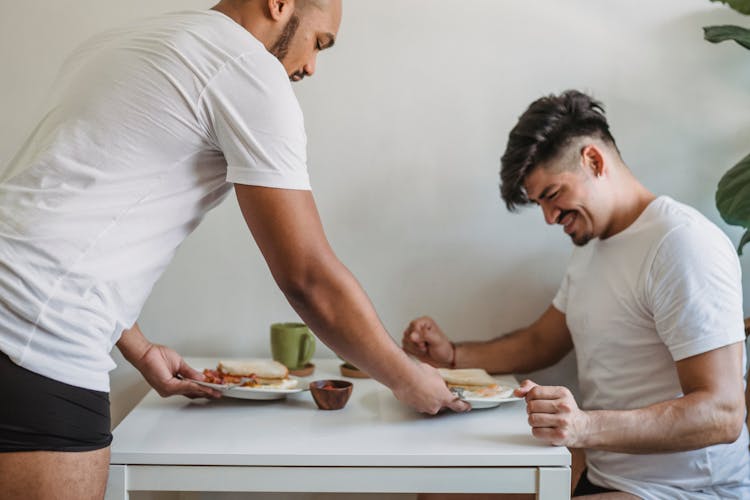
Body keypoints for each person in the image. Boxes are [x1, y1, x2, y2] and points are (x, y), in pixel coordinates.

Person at [0, 1, 469, 498]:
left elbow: (53, 222)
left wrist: (137, 347)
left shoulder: (132, 43)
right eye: (320, 42)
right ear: (280, 4)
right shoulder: (247, 68)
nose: (311, 66)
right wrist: (407, 377)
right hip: (38, 347)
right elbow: (307, 276)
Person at [403, 90, 750, 499]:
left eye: (552, 196)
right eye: (540, 205)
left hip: (683, 490)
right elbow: (540, 343)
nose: (550, 219)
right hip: (601, 475)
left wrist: (585, 426)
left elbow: (724, 413)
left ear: (593, 161)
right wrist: (451, 356)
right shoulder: (592, 248)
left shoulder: (682, 244)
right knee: (433, 494)